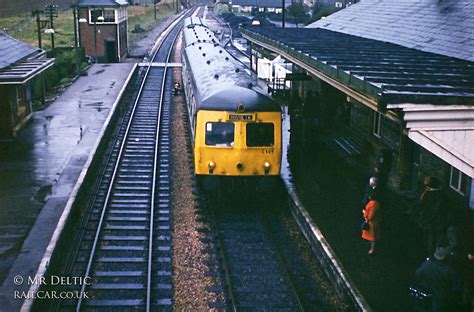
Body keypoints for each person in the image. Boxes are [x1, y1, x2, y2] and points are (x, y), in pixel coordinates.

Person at [415, 242, 464, 311]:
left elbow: (417, 275)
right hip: (444, 303)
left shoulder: (426, 265)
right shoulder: (449, 270)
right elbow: (457, 287)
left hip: (431, 302)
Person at [418, 176, 446, 256]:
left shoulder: (428, 195)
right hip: (438, 221)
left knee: (430, 238)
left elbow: (421, 204)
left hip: (430, 221)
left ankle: (429, 254)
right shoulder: (441, 195)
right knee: (434, 239)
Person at [361, 191, 381, 255]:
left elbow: (370, 216)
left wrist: (365, 214)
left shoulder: (373, 205)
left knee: (372, 237)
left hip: (371, 223)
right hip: (374, 222)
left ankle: (372, 249)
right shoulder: (376, 203)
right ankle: (371, 247)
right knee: (372, 236)